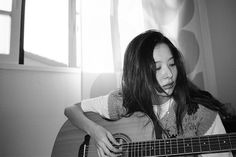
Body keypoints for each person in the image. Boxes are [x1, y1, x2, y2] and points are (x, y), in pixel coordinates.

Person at [65, 30, 233, 157]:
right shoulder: (124, 100)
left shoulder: (201, 114)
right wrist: (95, 131)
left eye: (172, 64)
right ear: (138, 73)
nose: (169, 74)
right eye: (157, 67)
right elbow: (71, 109)